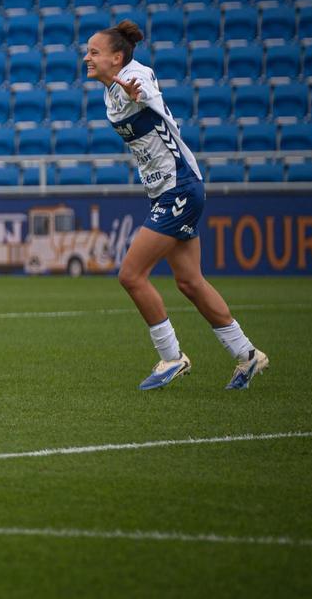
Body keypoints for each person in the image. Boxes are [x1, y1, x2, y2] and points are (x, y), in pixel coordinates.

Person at [86, 20, 267, 391]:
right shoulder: (109, 91)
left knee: (131, 275)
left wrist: (140, 95)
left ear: (116, 58)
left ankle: (172, 357)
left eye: (94, 52)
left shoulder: (135, 76)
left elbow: (146, 90)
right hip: (170, 189)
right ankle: (248, 356)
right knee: (189, 281)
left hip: (178, 188)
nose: (86, 57)